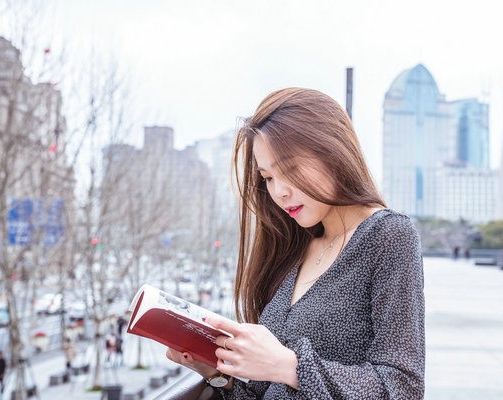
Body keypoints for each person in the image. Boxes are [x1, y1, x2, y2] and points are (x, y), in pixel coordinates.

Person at [166, 88, 425, 398]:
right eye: (268, 177)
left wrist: (289, 365)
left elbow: (403, 387)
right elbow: (266, 391)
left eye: (290, 169)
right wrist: (216, 371)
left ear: (333, 152)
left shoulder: (387, 236)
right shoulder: (296, 247)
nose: (279, 192)